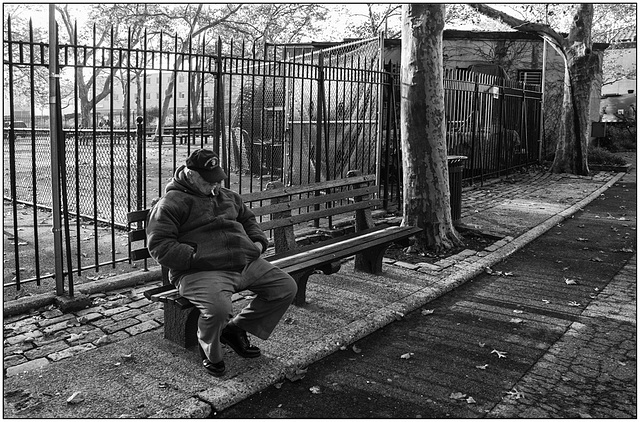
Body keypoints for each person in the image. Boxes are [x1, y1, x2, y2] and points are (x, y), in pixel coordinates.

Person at [147, 148, 297, 377]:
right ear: (190, 174)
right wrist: (195, 256)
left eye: (217, 179)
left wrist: (257, 243)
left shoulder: (227, 195)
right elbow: (160, 246)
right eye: (208, 181)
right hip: (199, 270)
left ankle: (235, 330)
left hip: (242, 262)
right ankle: (210, 351)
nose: (214, 186)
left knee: (285, 287)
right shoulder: (170, 203)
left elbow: (248, 220)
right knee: (218, 309)